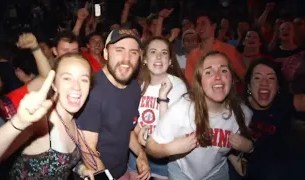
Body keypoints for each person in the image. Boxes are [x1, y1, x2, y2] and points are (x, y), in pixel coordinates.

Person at [141, 51, 252, 180]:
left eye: (223, 70)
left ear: (232, 78)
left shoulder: (243, 114)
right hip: (182, 172)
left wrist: (249, 148)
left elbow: (242, 149)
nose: (217, 77)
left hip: (216, 172)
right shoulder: (183, 108)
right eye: (209, 72)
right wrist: (170, 149)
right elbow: (151, 146)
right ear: (200, 82)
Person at [0, 53, 95, 179]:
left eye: (84, 80)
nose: (77, 87)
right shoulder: (41, 121)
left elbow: (68, 161)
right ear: (54, 84)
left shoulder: (75, 121)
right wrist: (18, 122)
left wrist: (81, 169)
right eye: (67, 78)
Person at [76, 29, 150, 180]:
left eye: (133, 52)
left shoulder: (134, 87)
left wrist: (141, 154)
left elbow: (126, 129)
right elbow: (87, 150)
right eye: (119, 50)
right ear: (106, 53)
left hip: (121, 171)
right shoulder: (91, 91)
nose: (126, 59)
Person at [128, 37, 188, 179]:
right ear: (144, 58)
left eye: (164, 53)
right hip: (137, 151)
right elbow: (129, 118)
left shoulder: (178, 87)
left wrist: (163, 98)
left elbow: (172, 130)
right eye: (153, 52)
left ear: (170, 61)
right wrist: (138, 132)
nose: (159, 57)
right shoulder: (136, 84)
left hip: (165, 157)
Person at [237, 59, 305, 180]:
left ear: (278, 86)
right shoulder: (237, 109)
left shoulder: (283, 102)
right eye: (257, 78)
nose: (264, 83)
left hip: (288, 167)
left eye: (271, 78)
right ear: (248, 85)